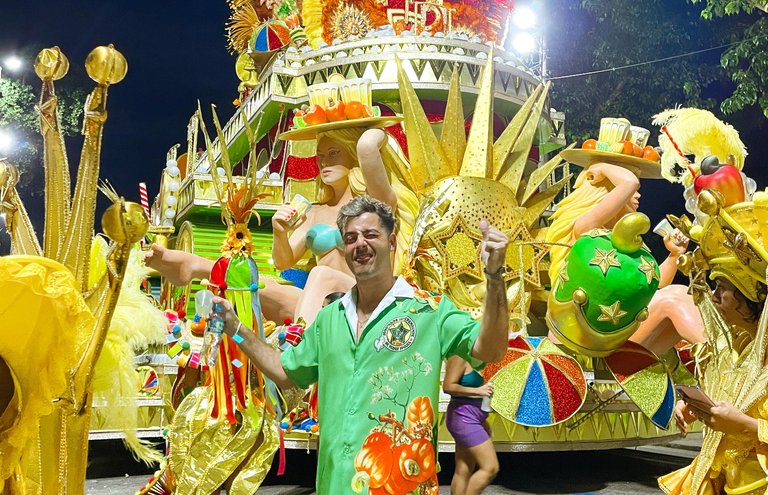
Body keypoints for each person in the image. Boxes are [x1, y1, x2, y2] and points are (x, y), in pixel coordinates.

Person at [211, 195, 510, 494]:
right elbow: (284, 370)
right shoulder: (329, 318)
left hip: (399, 485)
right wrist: (236, 328)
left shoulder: (430, 310)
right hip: (335, 486)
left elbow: (491, 350)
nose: (360, 244)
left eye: (371, 235)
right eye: (351, 238)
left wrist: (495, 276)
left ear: (391, 242)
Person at [145, 127, 417, 326]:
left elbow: (369, 147)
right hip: (322, 302)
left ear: (352, 154)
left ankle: (299, 350)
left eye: (334, 152)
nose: (325, 162)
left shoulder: (372, 207)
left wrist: (372, 132)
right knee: (263, 287)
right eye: (320, 155)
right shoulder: (315, 211)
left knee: (321, 274)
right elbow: (282, 260)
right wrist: (279, 231)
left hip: (368, 297)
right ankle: (196, 266)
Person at [545, 161, 704, 355]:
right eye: (633, 189)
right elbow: (628, 183)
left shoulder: (628, 245)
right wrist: (602, 167)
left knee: (682, 297)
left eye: (638, 187)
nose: (637, 194)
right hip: (581, 339)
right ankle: (727, 364)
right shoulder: (586, 231)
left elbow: (655, 284)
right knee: (674, 298)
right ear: (610, 191)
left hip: (615, 334)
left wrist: (674, 255)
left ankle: (719, 362)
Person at [660, 276, 767, 495]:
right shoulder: (742, 346)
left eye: (721, 289)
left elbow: (742, 419)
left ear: (753, 297)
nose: (713, 297)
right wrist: (700, 408)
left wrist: (745, 425)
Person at [443, 356, 498, 495]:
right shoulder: (458, 356)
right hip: (464, 418)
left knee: (464, 468)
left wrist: (482, 421)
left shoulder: (476, 359)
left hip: (472, 418)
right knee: (490, 468)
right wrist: (478, 391)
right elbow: (448, 386)